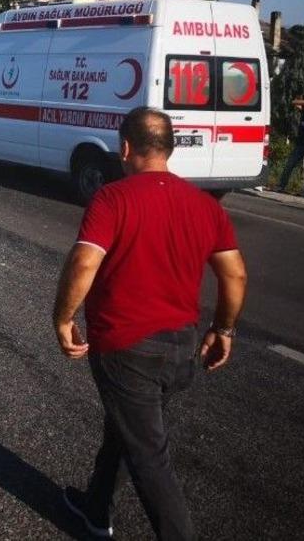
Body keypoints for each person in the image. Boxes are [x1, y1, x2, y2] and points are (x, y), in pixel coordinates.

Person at [53, 107, 248, 540]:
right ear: (170, 148)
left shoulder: (113, 197)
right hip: (180, 349)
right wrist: (225, 328)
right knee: (126, 430)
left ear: (125, 148)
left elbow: (85, 260)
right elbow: (234, 273)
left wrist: (63, 317)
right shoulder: (204, 205)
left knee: (150, 461)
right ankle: (95, 508)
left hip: (127, 350)